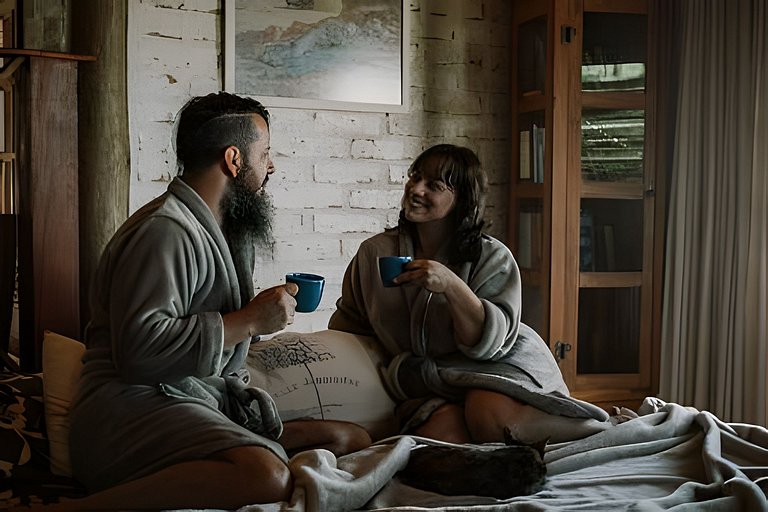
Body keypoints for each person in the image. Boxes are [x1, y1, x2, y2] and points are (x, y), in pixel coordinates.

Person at [60, 92, 371, 511]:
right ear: (234, 159)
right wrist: (249, 320)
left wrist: (255, 317)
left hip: (197, 401)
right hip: (129, 412)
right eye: (265, 153)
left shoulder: (221, 230)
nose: (271, 166)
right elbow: (138, 354)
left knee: (350, 438)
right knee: (267, 477)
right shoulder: (165, 231)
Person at [329, 143, 610, 445]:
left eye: (434, 185)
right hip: (427, 380)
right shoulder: (374, 253)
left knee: (487, 418)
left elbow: (486, 346)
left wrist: (451, 285)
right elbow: (350, 326)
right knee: (435, 442)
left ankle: (601, 427)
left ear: (462, 198)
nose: (416, 189)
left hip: (497, 367)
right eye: (415, 177)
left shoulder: (492, 257)